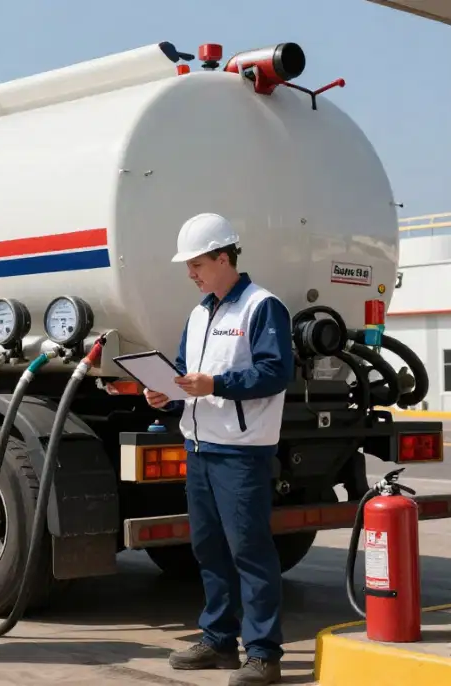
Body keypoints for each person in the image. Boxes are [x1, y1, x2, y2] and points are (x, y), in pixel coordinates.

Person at [143, 213, 294, 686]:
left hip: (241, 450)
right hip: (200, 446)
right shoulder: (200, 311)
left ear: (223, 258)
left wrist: (217, 384)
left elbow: (275, 373)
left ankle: (264, 653)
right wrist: (167, 393)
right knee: (208, 548)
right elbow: (188, 372)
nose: (191, 273)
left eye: (197, 264)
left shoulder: (262, 307)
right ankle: (219, 640)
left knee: (249, 549)